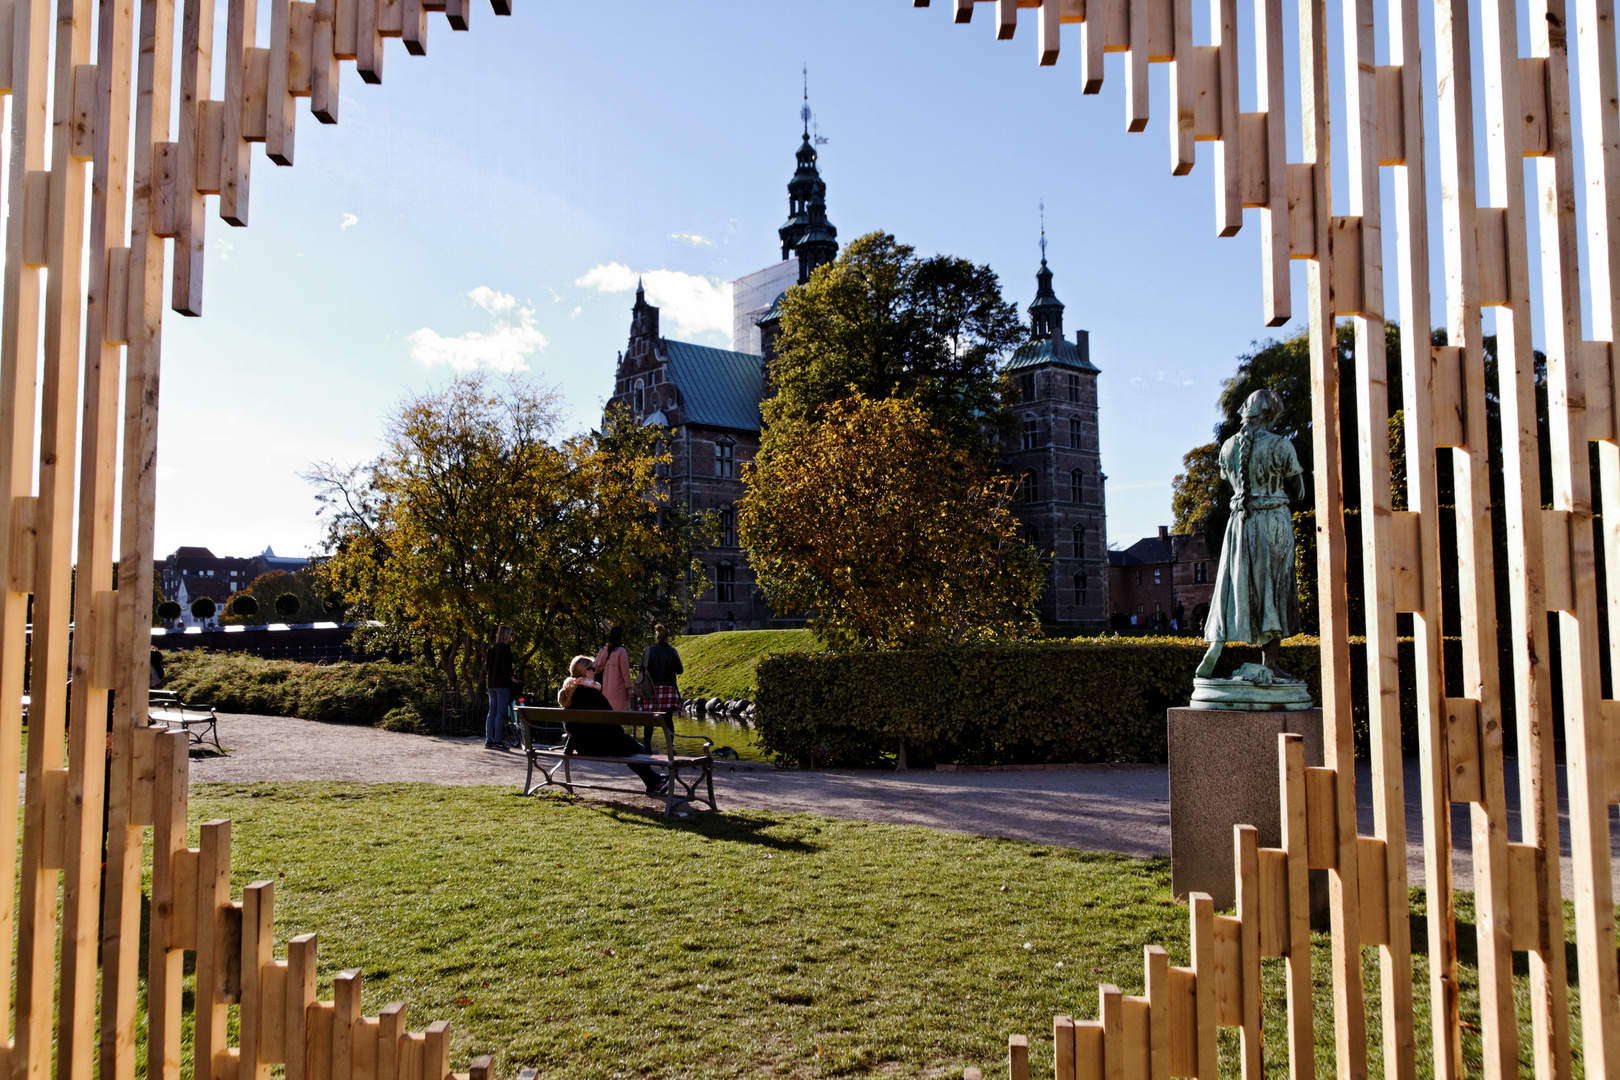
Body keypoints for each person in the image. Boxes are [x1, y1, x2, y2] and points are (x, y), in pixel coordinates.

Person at [1197, 389, 1306, 679]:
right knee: (1274, 588)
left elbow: (1229, 480)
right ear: (1270, 415)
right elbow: (1298, 491)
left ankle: (1216, 642)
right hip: (1272, 522)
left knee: (1233, 586)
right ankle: (1269, 664)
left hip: (1239, 523)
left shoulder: (1228, 447)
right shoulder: (1281, 445)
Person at [558, 655, 665, 793]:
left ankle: (655, 782)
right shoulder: (591, 693)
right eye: (592, 669)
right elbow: (612, 721)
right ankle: (655, 782)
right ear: (585, 672)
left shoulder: (569, 694)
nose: (595, 671)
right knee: (639, 749)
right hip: (599, 745)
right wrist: (620, 736)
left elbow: (570, 727)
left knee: (630, 749)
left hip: (583, 746)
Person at [639, 623, 684, 715]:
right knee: (668, 720)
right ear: (667, 637)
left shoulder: (648, 651)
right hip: (668, 689)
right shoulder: (672, 651)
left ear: (657, 637)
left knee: (649, 722)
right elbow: (680, 670)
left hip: (650, 690)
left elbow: (641, 668)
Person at [484, 625, 517, 750]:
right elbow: (506, 667)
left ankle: (489, 739)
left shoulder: (491, 648)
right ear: (507, 635)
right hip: (502, 684)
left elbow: (487, 667)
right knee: (500, 712)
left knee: (491, 711)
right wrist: (512, 677)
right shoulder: (505, 648)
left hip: (491, 683)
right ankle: (497, 739)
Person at [593, 626, 633, 711]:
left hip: (606, 690)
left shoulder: (603, 650)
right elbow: (625, 672)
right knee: (619, 715)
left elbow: (596, 669)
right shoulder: (621, 652)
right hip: (619, 690)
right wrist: (629, 688)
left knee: (608, 713)